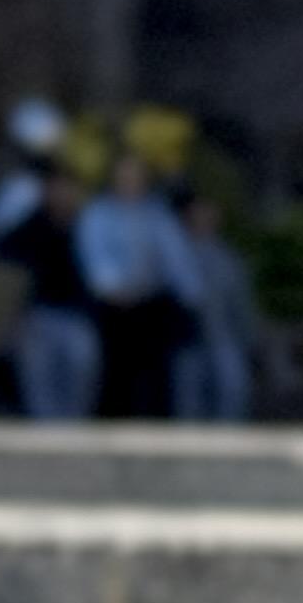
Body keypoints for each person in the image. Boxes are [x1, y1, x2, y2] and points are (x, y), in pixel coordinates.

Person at [0, 105, 99, 420]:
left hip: (74, 317)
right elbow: (1, 258)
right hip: (33, 315)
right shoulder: (19, 205)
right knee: (40, 398)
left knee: (78, 383)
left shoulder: (84, 218)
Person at [75, 144, 197, 420]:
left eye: (136, 176)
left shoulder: (156, 214)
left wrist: (189, 295)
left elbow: (175, 258)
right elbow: (96, 257)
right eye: (125, 176)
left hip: (150, 305)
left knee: (156, 376)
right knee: (114, 377)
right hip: (113, 307)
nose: (130, 182)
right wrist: (115, 289)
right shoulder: (98, 213)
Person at [174, 192, 269, 422]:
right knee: (188, 397)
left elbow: (242, 305)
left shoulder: (229, 259)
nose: (204, 217)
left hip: (223, 339)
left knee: (232, 386)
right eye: (199, 211)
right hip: (185, 341)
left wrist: (249, 339)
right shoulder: (174, 253)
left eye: (210, 211)